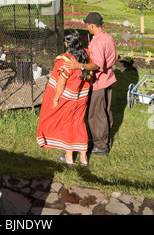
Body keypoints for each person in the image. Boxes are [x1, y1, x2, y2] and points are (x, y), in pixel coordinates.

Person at [37, 29, 93, 166]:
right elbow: (90, 76)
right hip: (82, 97)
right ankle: (83, 158)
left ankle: (69, 157)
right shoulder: (86, 56)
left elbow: (61, 83)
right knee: (79, 124)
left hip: (68, 99)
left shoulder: (66, 61)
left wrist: (55, 100)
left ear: (66, 43)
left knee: (67, 125)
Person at [66, 12, 117, 155]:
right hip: (108, 79)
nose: (87, 27)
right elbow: (111, 59)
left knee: (96, 115)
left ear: (92, 25)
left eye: (87, 25)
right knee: (105, 112)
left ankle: (100, 146)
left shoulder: (98, 42)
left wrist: (79, 66)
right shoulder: (107, 37)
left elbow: (97, 65)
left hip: (99, 83)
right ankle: (105, 141)